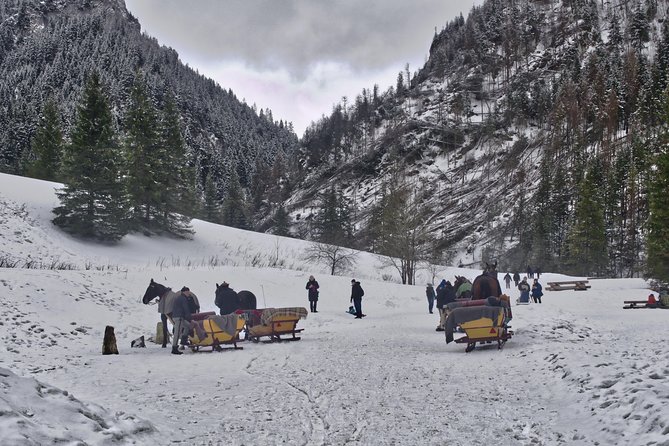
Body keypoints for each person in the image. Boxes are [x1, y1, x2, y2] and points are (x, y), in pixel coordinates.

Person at [170, 291, 193, 355]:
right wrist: (190, 317)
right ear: (184, 292)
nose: (189, 293)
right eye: (188, 292)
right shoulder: (183, 299)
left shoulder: (180, 297)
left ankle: (184, 340)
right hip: (179, 317)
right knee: (177, 333)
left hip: (179, 317)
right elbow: (186, 308)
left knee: (187, 326)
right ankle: (174, 348)